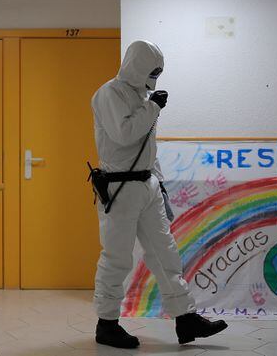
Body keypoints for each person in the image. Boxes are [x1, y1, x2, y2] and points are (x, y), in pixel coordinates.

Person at [90, 40, 228, 349]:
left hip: (147, 184)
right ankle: (107, 323)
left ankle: (185, 317)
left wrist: (161, 186)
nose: (155, 76)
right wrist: (153, 107)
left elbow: (147, 150)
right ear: (137, 65)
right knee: (117, 257)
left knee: (166, 253)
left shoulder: (142, 95)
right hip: (119, 187)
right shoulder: (108, 94)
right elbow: (124, 135)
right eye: (151, 70)